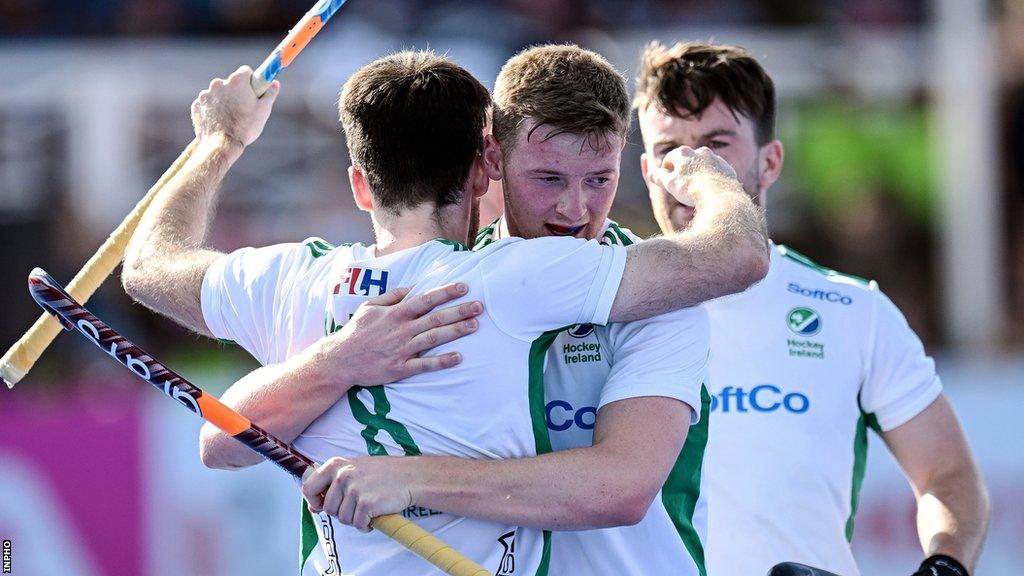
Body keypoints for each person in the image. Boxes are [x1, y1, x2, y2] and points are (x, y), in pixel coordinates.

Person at [120, 50, 769, 574]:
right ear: (488, 164)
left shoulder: (299, 275)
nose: (575, 211)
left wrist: (220, 143)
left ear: (359, 183)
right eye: (548, 178)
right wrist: (337, 361)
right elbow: (737, 251)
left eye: (599, 179)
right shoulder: (516, 278)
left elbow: (149, 271)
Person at [633, 41, 990, 576]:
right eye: (670, 150)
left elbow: (948, 475)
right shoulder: (597, 304)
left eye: (715, 144)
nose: (690, 168)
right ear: (645, 170)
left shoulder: (853, 312)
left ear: (770, 161)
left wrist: (945, 566)